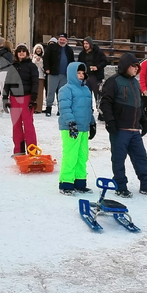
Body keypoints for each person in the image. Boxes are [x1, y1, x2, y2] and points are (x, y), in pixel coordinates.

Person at [101, 54, 147, 198]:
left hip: (134, 130)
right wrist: (110, 121)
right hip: (120, 129)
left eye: (137, 66)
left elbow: (139, 104)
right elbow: (105, 103)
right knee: (118, 159)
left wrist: (144, 120)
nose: (136, 69)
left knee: (141, 158)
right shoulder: (113, 81)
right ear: (125, 66)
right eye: (133, 66)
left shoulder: (135, 83)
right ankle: (120, 186)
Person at [57, 62, 96, 195]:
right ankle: (66, 182)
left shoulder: (86, 89)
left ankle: (80, 181)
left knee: (82, 156)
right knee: (71, 155)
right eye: (78, 73)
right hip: (70, 128)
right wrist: (71, 123)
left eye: (82, 73)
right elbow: (64, 108)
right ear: (72, 74)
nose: (80, 76)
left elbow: (89, 109)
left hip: (83, 128)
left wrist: (92, 123)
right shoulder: (66, 89)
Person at [2, 43, 40, 155]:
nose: (21, 53)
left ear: (27, 53)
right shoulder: (12, 66)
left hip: (27, 98)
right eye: (19, 51)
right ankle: (19, 150)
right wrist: (5, 97)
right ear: (16, 53)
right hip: (14, 98)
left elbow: (35, 82)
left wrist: (33, 98)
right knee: (16, 125)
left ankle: (32, 150)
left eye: (24, 51)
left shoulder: (32, 66)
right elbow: (7, 83)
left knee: (28, 125)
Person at [43, 33, 74, 117]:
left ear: (66, 40)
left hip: (64, 74)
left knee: (62, 93)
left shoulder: (69, 50)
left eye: (64, 39)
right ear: (58, 39)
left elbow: (72, 61)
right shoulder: (52, 48)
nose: (62, 41)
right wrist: (46, 68)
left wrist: (71, 72)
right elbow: (46, 58)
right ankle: (48, 108)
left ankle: (61, 109)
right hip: (53, 73)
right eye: (61, 39)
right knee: (50, 92)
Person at [77, 36, 108, 115]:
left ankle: (101, 112)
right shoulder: (82, 54)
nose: (85, 45)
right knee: (86, 95)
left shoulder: (98, 52)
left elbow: (105, 61)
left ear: (90, 44)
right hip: (86, 76)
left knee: (98, 95)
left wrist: (97, 67)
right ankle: (88, 110)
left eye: (87, 43)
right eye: (84, 44)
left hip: (96, 76)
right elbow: (79, 64)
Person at [32, 43, 46, 114]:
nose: (38, 50)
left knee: (40, 93)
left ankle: (38, 108)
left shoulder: (43, 58)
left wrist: (40, 61)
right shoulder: (32, 58)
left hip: (40, 76)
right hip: (33, 77)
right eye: (37, 48)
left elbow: (43, 68)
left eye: (39, 49)